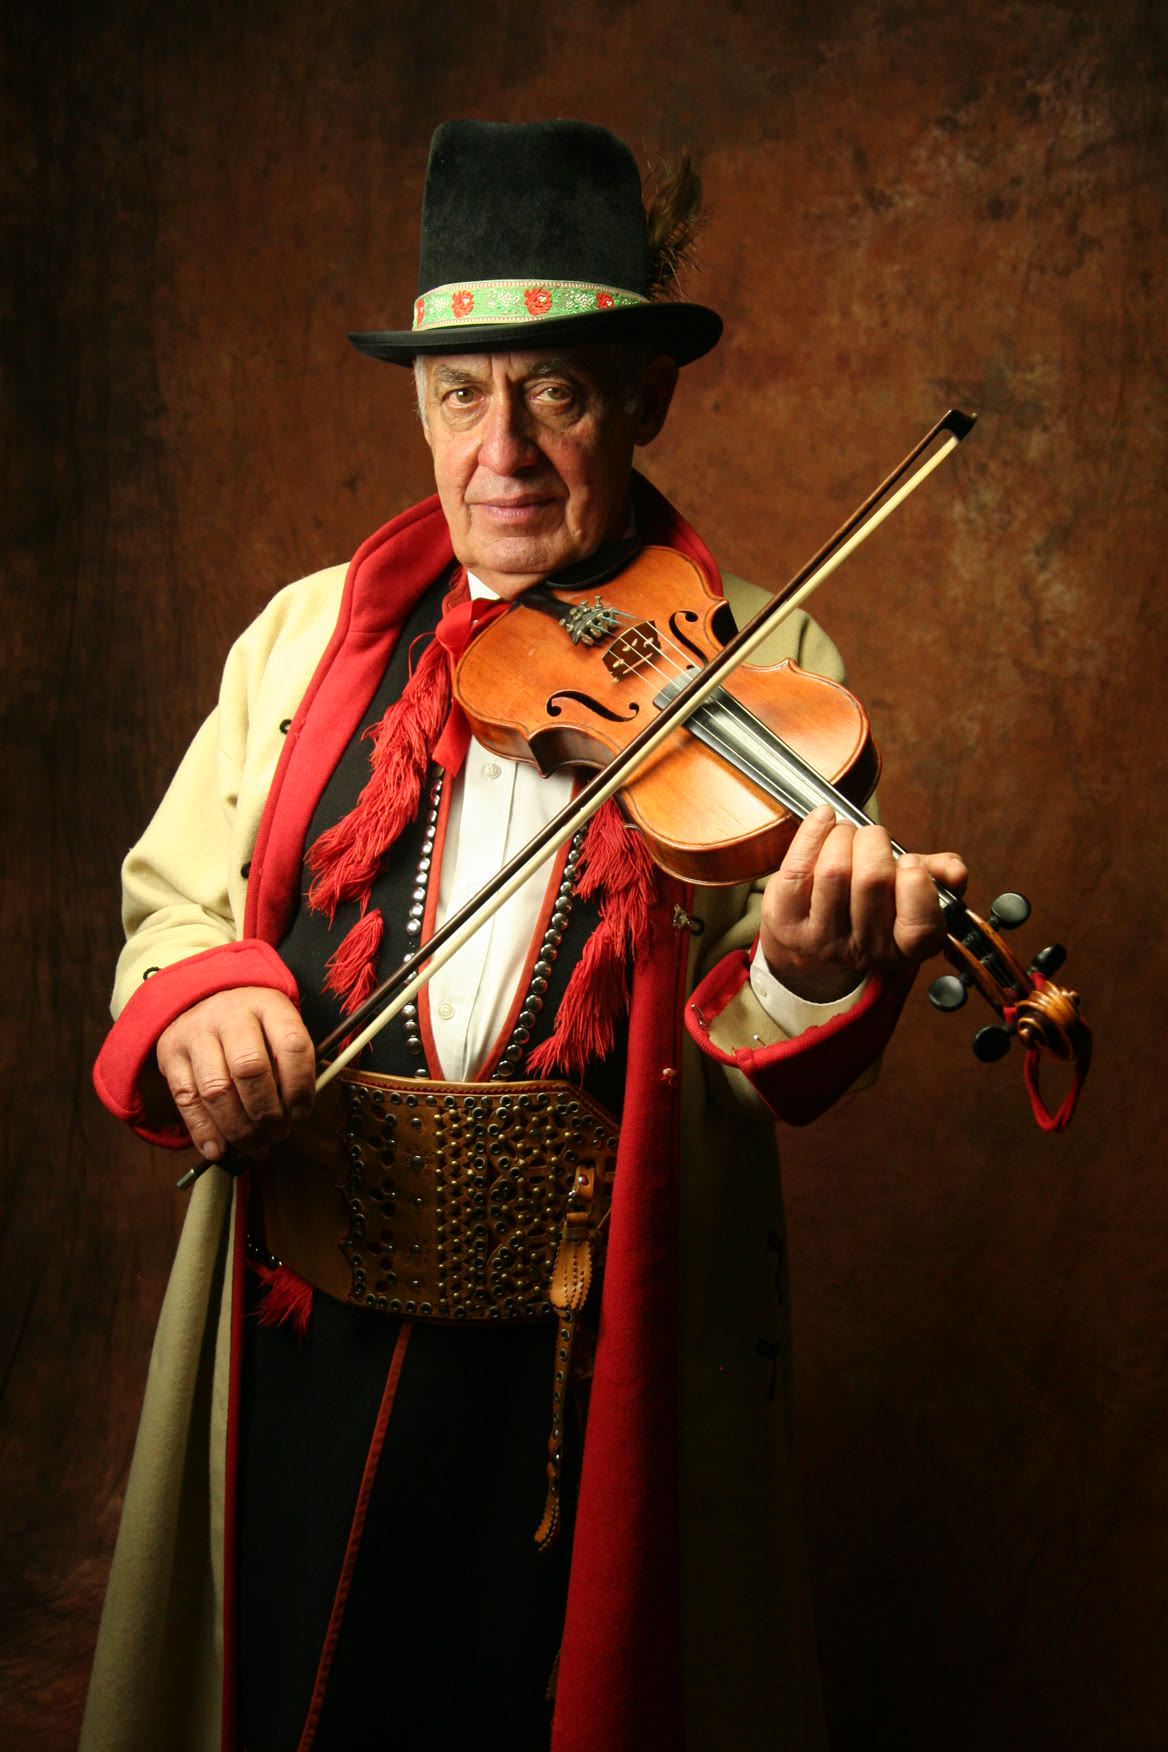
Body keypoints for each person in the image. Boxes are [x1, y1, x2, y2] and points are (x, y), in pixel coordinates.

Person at [83, 120, 965, 1752]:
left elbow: (752, 1043)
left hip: (580, 1351)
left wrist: (806, 972)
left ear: (646, 398)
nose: (502, 451)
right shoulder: (304, 638)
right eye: (459, 393)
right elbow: (172, 907)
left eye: (554, 392)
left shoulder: (764, 670)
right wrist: (200, 1000)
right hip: (307, 1314)